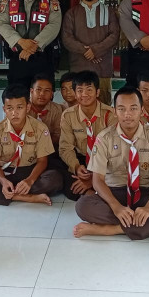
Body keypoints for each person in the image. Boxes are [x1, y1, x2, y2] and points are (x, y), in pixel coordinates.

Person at [74, 86, 149, 240]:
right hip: (115, 191)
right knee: (83, 205)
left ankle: (112, 229)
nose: (127, 114)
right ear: (114, 111)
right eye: (121, 109)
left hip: (146, 191)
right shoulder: (104, 138)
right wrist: (116, 207)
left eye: (133, 108)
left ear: (141, 110)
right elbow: (97, 180)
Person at [0, 85, 62, 206]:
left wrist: (30, 180)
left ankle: (2, 194)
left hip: (29, 170)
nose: (14, 113)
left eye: (19, 107)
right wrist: (3, 181)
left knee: (55, 179)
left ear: (28, 107)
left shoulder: (40, 128)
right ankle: (28, 197)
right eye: (9, 108)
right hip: (6, 171)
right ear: (4, 109)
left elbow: (42, 161)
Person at [0, 0, 62, 87]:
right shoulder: (9, 0)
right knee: (18, 95)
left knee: (43, 97)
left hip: (43, 57)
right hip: (18, 57)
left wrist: (33, 46)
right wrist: (20, 41)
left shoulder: (49, 0)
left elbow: (54, 24)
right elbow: (3, 24)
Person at [61, 0, 120, 104]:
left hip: (102, 70)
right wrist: (86, 51)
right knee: (79, 107)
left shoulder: (108, 11)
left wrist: (95, 50)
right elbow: (67, 38)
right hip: (79, 69)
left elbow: (114, 35)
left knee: (103, 106)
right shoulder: (72, 13)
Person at [56, 71, 116, 200]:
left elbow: (114, 150)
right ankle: (93, 191)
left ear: (97, 92)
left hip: (104, 160)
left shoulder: (110, 115)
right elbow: (65, 147)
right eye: (80, 90)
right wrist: (77, 167)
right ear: (75, 93)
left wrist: (94, 177)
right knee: (59, 167)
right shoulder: (68, 115)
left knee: (120, 171)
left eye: (89, 90)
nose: (84, 94)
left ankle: (93, 188)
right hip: (82, 158)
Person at [27, 74, 64, 147]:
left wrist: (42, 146)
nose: (42, 94)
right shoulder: (22, 107)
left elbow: (58, 134)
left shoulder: (57, 109)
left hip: (49, 147)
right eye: (38, 89)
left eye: (47, 91)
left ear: (51, 94)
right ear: (31, 91)